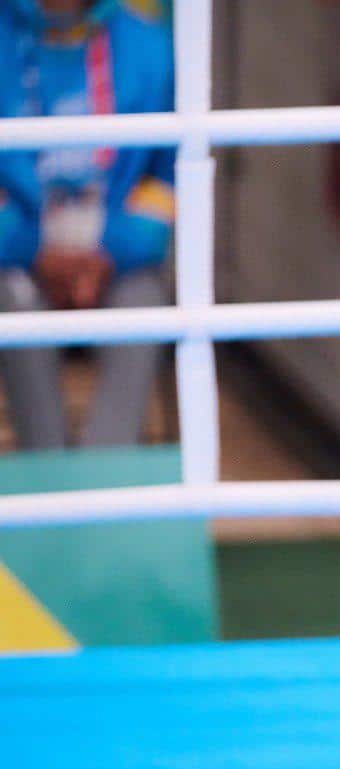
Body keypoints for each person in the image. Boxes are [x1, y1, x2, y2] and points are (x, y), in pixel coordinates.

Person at [0, 0, 174, 449]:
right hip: (17, 260)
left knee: (144, 302)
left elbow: (168, 181)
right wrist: (29, 247)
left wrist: (110, 253)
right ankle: (47, 478)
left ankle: (106, 480)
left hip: (115, 262)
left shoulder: (147, 45)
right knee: (14, 300)